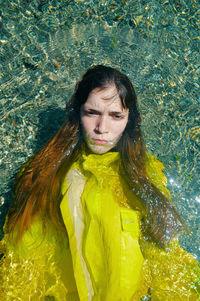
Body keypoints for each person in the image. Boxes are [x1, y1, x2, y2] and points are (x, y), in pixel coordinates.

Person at [0, 65, 199, 301]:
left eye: (116, 116)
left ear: (130, 120)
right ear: (77, 112)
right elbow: (22, 254)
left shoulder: (145, 173)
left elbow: (167, 254)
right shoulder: (43, 173)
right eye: (92, 112)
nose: (101, 129)